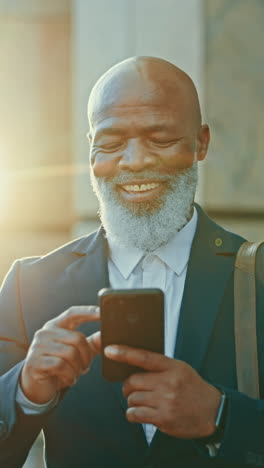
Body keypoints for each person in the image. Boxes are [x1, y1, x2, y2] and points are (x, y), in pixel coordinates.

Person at [0, 56, 263, 468]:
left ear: (201, 143)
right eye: (111, 142)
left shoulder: (257, 278)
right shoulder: (28, 286)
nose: (135, 161)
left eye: (159, 138)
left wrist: (222, 415)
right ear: (90, 152)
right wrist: (25, 390)